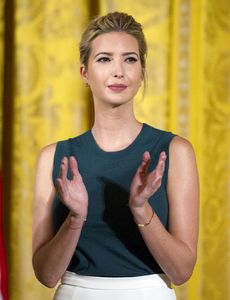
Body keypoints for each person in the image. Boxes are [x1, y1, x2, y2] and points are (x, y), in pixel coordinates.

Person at [32, 11, 199, 300]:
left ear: (143, 70)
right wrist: (76, 216)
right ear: (84, 72)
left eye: (130, 59)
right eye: (104, 59)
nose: (118, 71)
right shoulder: (54, 157)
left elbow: (182, 271)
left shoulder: (175, 151)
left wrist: (140, 208)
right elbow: (46, 276)